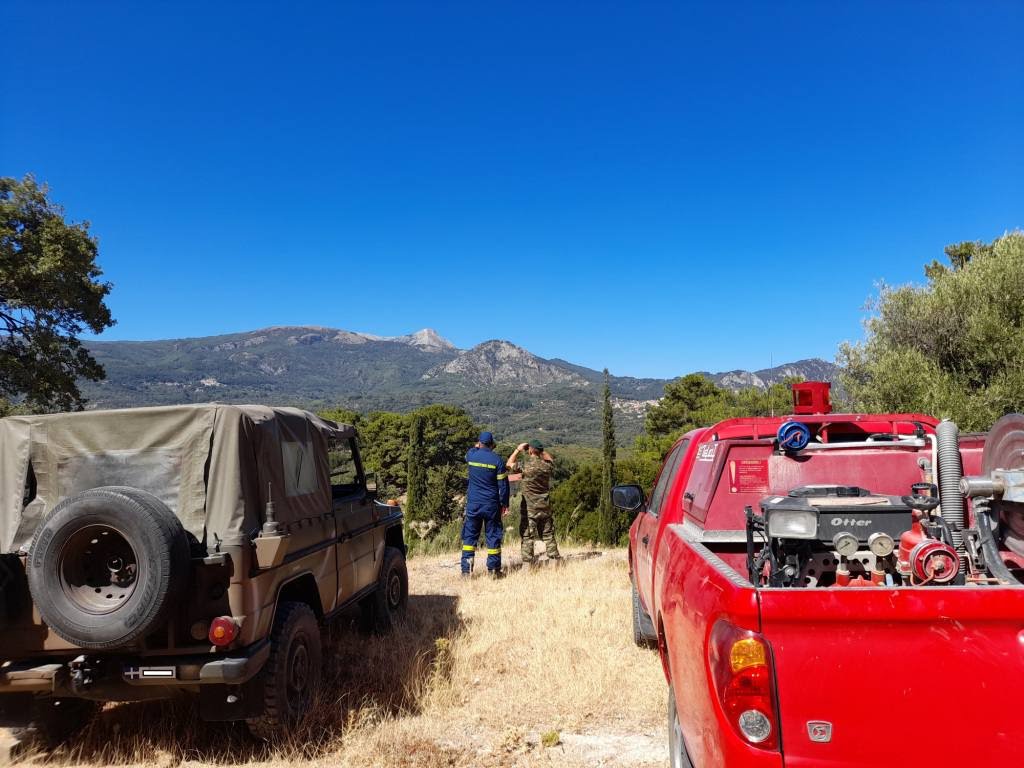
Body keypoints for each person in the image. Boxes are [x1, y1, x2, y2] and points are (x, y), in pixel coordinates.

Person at [461, 431, 510, 576]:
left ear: (479, 443)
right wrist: (505, 504)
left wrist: (477, 447)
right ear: (492, 444)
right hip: (491, 505)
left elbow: (469, 452)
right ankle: (494, 570)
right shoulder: (497, 461)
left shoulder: (471, 455)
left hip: (474, 504)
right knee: (493, 536)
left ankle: (466, 571)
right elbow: (503, 486)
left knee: (470, 537)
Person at [507, 439, 560, 566]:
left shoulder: (525, 465)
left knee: (527, 536)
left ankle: (528, 564)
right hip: (544, 506)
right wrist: (540, 450)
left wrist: (518, 450)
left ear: (530, 450)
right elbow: (550, 460)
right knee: (548, 534)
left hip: (529, 507)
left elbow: (509, 464)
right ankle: (554, 561)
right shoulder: (547, 466)